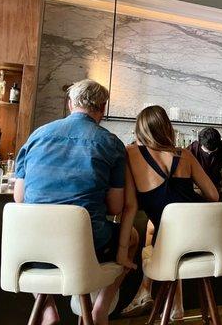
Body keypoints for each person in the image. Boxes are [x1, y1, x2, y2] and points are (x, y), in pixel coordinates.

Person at [14, 79, 139, 325]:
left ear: (70, 104)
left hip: (30, 245)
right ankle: (99, 309)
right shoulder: (111, 143)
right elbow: (115, 207)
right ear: (103, 108)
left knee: (39, 248)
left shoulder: (37, 135)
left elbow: (20, 197)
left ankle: (47, 309)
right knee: (132, 237)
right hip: (85, 246)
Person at [119, 106, 219, 318]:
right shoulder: (185, 154)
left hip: (171, 245)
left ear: (140, 129)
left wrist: (121, 249)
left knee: (161, 238)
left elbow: (130, 206)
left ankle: (148, 293)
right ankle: (175, 304)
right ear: (167, 128)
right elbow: (213, 195)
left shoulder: (130, 153)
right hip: (205, 244)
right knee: (168, 236)